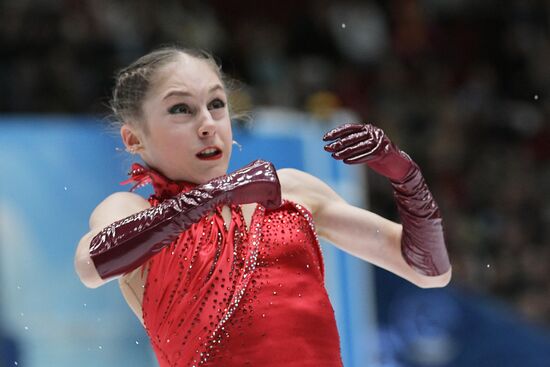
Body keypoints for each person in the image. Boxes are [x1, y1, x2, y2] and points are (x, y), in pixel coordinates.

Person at [74, 46, 451, 367]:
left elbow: (429, 270)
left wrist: (406, 177)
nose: (208, 124)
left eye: (217, 104)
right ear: (133, 138)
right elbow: (94, 265)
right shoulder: (128, 210)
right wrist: (221, 193)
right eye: (180, 110)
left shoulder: (291, 191)